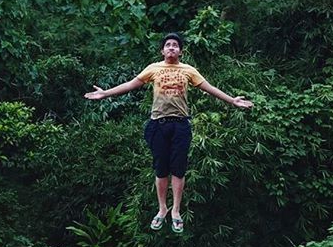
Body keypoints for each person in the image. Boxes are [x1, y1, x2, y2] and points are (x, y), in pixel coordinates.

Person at [84, 33, 253, 234]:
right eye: (168, 45)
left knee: (179, 169)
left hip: (180, 125)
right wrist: (106, 93)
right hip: (158, 124)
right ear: (162, 51)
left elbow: (210, 89)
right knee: (161, 168)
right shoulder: (153, 69)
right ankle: (162, 208)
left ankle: (176, 211)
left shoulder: (188, 70)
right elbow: (130, 85)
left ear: (180, 51)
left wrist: (232, 100)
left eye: (175, 45)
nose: (171, 48)